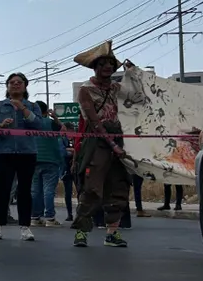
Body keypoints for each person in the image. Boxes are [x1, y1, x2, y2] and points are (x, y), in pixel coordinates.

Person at [70, 41, 144, 249]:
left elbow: (139, 96)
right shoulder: (86, 90)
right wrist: (113, 145)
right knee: (92, 188)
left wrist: (134, 73)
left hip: (118, 139)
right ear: (95, 67)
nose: (108, 67)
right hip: (97, 142)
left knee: (119, 186)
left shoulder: (115, 88)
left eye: (111, 64)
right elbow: (94, 121)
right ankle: (81, 232)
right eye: (103, 64)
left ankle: (112, 233)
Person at [0, 73, 39, 241]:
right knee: (3, 190)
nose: (15, 85)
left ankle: (25, 227)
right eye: (12, 82)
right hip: (5, 152)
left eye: (19, 82)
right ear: (7, 86)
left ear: (25, 86)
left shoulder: (32, 106)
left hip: (27, 152)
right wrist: (0, 126)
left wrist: (23, 109)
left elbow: (38, 125)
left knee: (25, 190)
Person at [30, 100, 63, 227]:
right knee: (48, 190)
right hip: (51, 160)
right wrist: (54, 117)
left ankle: (35, 217)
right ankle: (50, 218)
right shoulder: (50, 123)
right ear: (45, 111)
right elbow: (63, 128)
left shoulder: (31, 124)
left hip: (33, 160)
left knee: (35, 191)